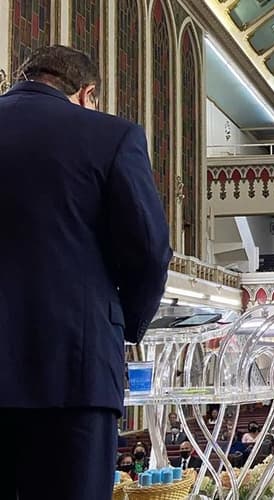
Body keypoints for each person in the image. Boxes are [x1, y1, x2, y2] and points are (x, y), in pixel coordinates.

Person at [0, 46, 171, 500]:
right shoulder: (110, 137)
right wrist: (127, 324)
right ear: (86, 92)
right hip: (74, 377)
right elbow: (150, 250)